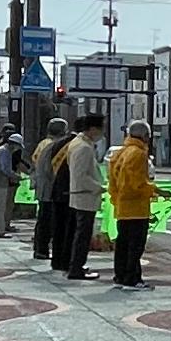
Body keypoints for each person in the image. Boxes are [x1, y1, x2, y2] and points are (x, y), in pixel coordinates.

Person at [108, 120, 167, 290]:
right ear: (145, 136)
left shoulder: (121, 152)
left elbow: (113, 181)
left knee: (123, 244)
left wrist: (116, 198)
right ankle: (132, 278)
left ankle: (120, 276)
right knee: (135, 245)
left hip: (123, 206)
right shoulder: (138, 154)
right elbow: (137, 183)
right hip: (136, 207)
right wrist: (156, 191)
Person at [63, 117, 105, 280]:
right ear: (92, 129)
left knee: (79, 233)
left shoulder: (77, 143)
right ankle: (76, 268)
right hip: (84, 196)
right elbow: (81, 176)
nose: (102, 133)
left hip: (79, 195)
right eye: (101, 129)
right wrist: (99, 187)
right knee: (83, 235)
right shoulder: (84, 147)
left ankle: (75, 265)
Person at [30, 117, 70, 262]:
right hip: (49, 188)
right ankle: (42, 249)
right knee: (47, 221)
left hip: (42, 185)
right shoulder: (54, 146)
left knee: (42, 220)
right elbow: (51, 169)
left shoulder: (43, 143)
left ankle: (40, 248)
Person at [47, 124, 78, 274]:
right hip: (69, 191)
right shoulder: (76, 145)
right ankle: (66, 261)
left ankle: (57, 260)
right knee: (69, 229)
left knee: (58, 228)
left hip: (57, 189)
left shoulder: (57, 144)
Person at [0, 133, 25, 236]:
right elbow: (6, 169)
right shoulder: (5, 152)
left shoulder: (2, 150)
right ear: (14, 144)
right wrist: (17, 176)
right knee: (0, 208)